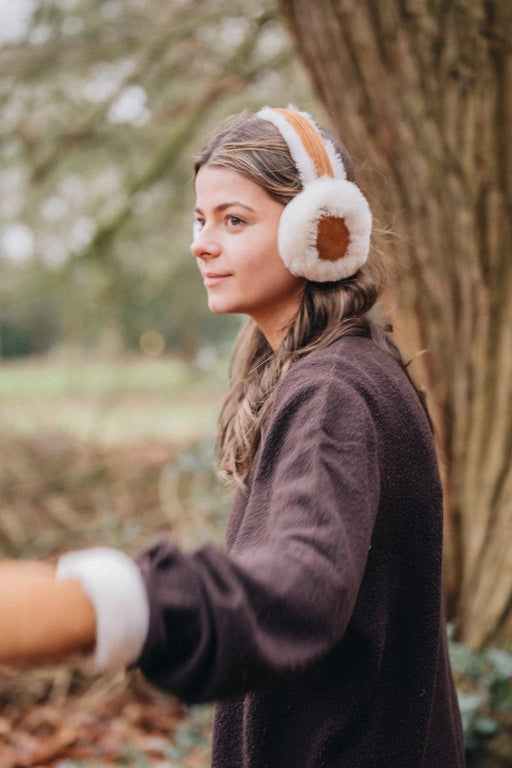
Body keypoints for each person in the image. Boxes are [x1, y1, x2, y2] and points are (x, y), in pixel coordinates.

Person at [0, 106, 465, 767]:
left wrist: (104, 605)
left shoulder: (334, 391)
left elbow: (300, 588)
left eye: (234, 219)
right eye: (200, 220)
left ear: (322, 232)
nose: (201, 243)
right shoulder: (337, 370)